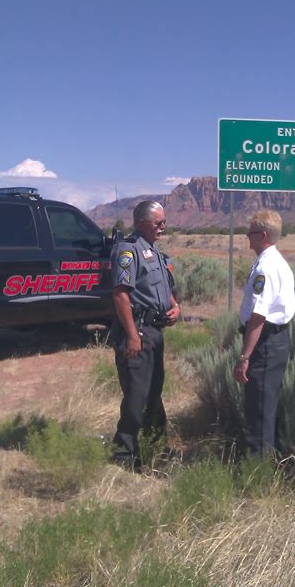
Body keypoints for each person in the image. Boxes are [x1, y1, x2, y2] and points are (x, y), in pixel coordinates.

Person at [110, 200, 180, 469]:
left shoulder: (155, 253)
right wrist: (132, 336)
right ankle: (124, 454)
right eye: (158, 223)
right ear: (142, 224)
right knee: (137, 395)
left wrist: (175, 307)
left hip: (154, 331)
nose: (163, 227)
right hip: (137, 332)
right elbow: (121, 296)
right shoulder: (128, 252)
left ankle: (156, 446)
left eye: (164, 222)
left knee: (153, 393)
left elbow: (167, 290)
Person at [233, 210, 295, 458]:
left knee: (259, 409)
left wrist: (244, 357)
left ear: (263, 235)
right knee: (266, 405)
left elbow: (259, 316)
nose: (247, 237)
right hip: (274, 341)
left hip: (265, 343)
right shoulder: (274, 261)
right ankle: (266, 463)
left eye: (250, 233)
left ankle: (257, 474)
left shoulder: (266, 267)